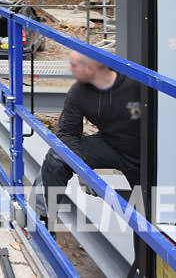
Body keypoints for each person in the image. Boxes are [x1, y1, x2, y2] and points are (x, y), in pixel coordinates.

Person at [35, 50, 142, 230]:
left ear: (91, 68)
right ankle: (43, 220)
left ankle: (144, 256)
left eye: (74, 66)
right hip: (111, 145)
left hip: (145, 152)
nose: (70, 69)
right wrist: (82, 169)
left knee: (147, 215)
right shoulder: (78, 92)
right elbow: (67, 134)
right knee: (57, 157)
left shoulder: (135, 85)